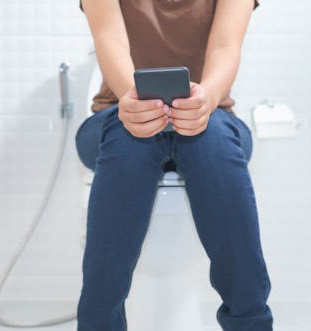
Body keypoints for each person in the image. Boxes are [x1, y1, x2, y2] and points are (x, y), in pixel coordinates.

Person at [75, 0, 273, 330]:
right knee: (128, 141)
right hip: (118, 113)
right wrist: (133, 99)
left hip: (210, 115)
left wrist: (206, 100)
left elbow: (226, 47)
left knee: (211, 138)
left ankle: (251, 323)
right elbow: (109, 38)